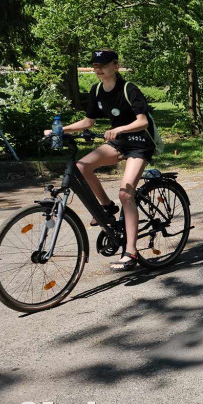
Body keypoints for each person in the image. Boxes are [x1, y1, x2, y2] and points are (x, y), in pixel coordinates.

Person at [44, 49, 154, 271]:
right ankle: (106, 208)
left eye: (102, 64)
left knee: (126, 194)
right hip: (118, 142)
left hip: (139, 144)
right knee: (81, 167)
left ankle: (131, 252)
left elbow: (143, 121)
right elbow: (88, 122)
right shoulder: (96, 90)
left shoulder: (128, 89)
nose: (98, 68)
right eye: (95, 65)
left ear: (115, 65)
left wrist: (120, 128)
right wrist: (60, 130)